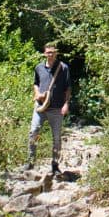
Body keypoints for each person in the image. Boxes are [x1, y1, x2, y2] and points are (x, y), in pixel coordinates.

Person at [27, 42, 71, 174]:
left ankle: (55, 165)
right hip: (40, 107)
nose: (50, 55)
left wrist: (66, 103)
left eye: (52, 52)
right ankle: (30, 161)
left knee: (56, 138)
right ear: (44, 53)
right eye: (48, 52)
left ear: (56, 53)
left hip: (57, 108)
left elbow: (68, 87)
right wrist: (37, 93)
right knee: (34, 131)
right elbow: (35, 83)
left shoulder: (63, 68)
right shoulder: (39, 67)